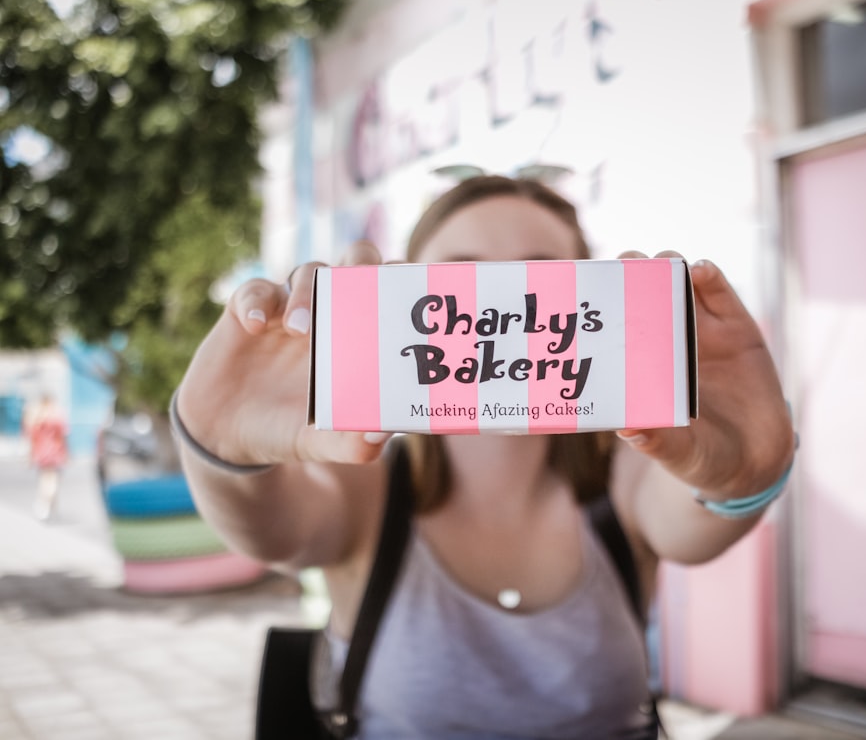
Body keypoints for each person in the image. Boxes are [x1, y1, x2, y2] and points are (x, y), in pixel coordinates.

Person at [172, 176, 796, 739]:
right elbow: (273, 530)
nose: (503, 311)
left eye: (541, 274)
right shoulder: (360, 480)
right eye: (461, 276)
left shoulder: (631, 469)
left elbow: (696, 520)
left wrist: (747, 473)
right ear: (402, 296)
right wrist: (216, 444)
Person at [23, 393, 70, 521]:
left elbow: (32, 438)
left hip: (41, 452)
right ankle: (46, 504)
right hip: (55, 452)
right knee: (53, 480)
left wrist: (30, 455)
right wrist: (67, 453)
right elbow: (63, 436)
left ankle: (49, 506)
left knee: (45, 479)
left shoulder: (36, 418)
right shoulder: (57, 417)